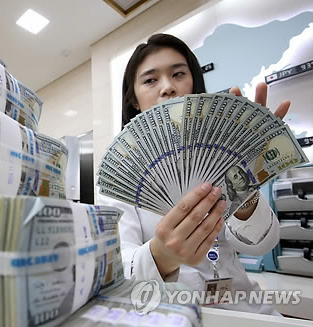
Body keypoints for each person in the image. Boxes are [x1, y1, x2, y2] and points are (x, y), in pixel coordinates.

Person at [99, 33, 291, 315]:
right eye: (150, 80)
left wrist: (244, 193)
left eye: (178, 74)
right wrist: (161, 255)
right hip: (174, 315)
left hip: (249, 313)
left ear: (194, 87)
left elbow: (262, 245)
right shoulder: (121, 179)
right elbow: (118, 270)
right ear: (135, 101)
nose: (167, 88)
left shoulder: (221, 155)